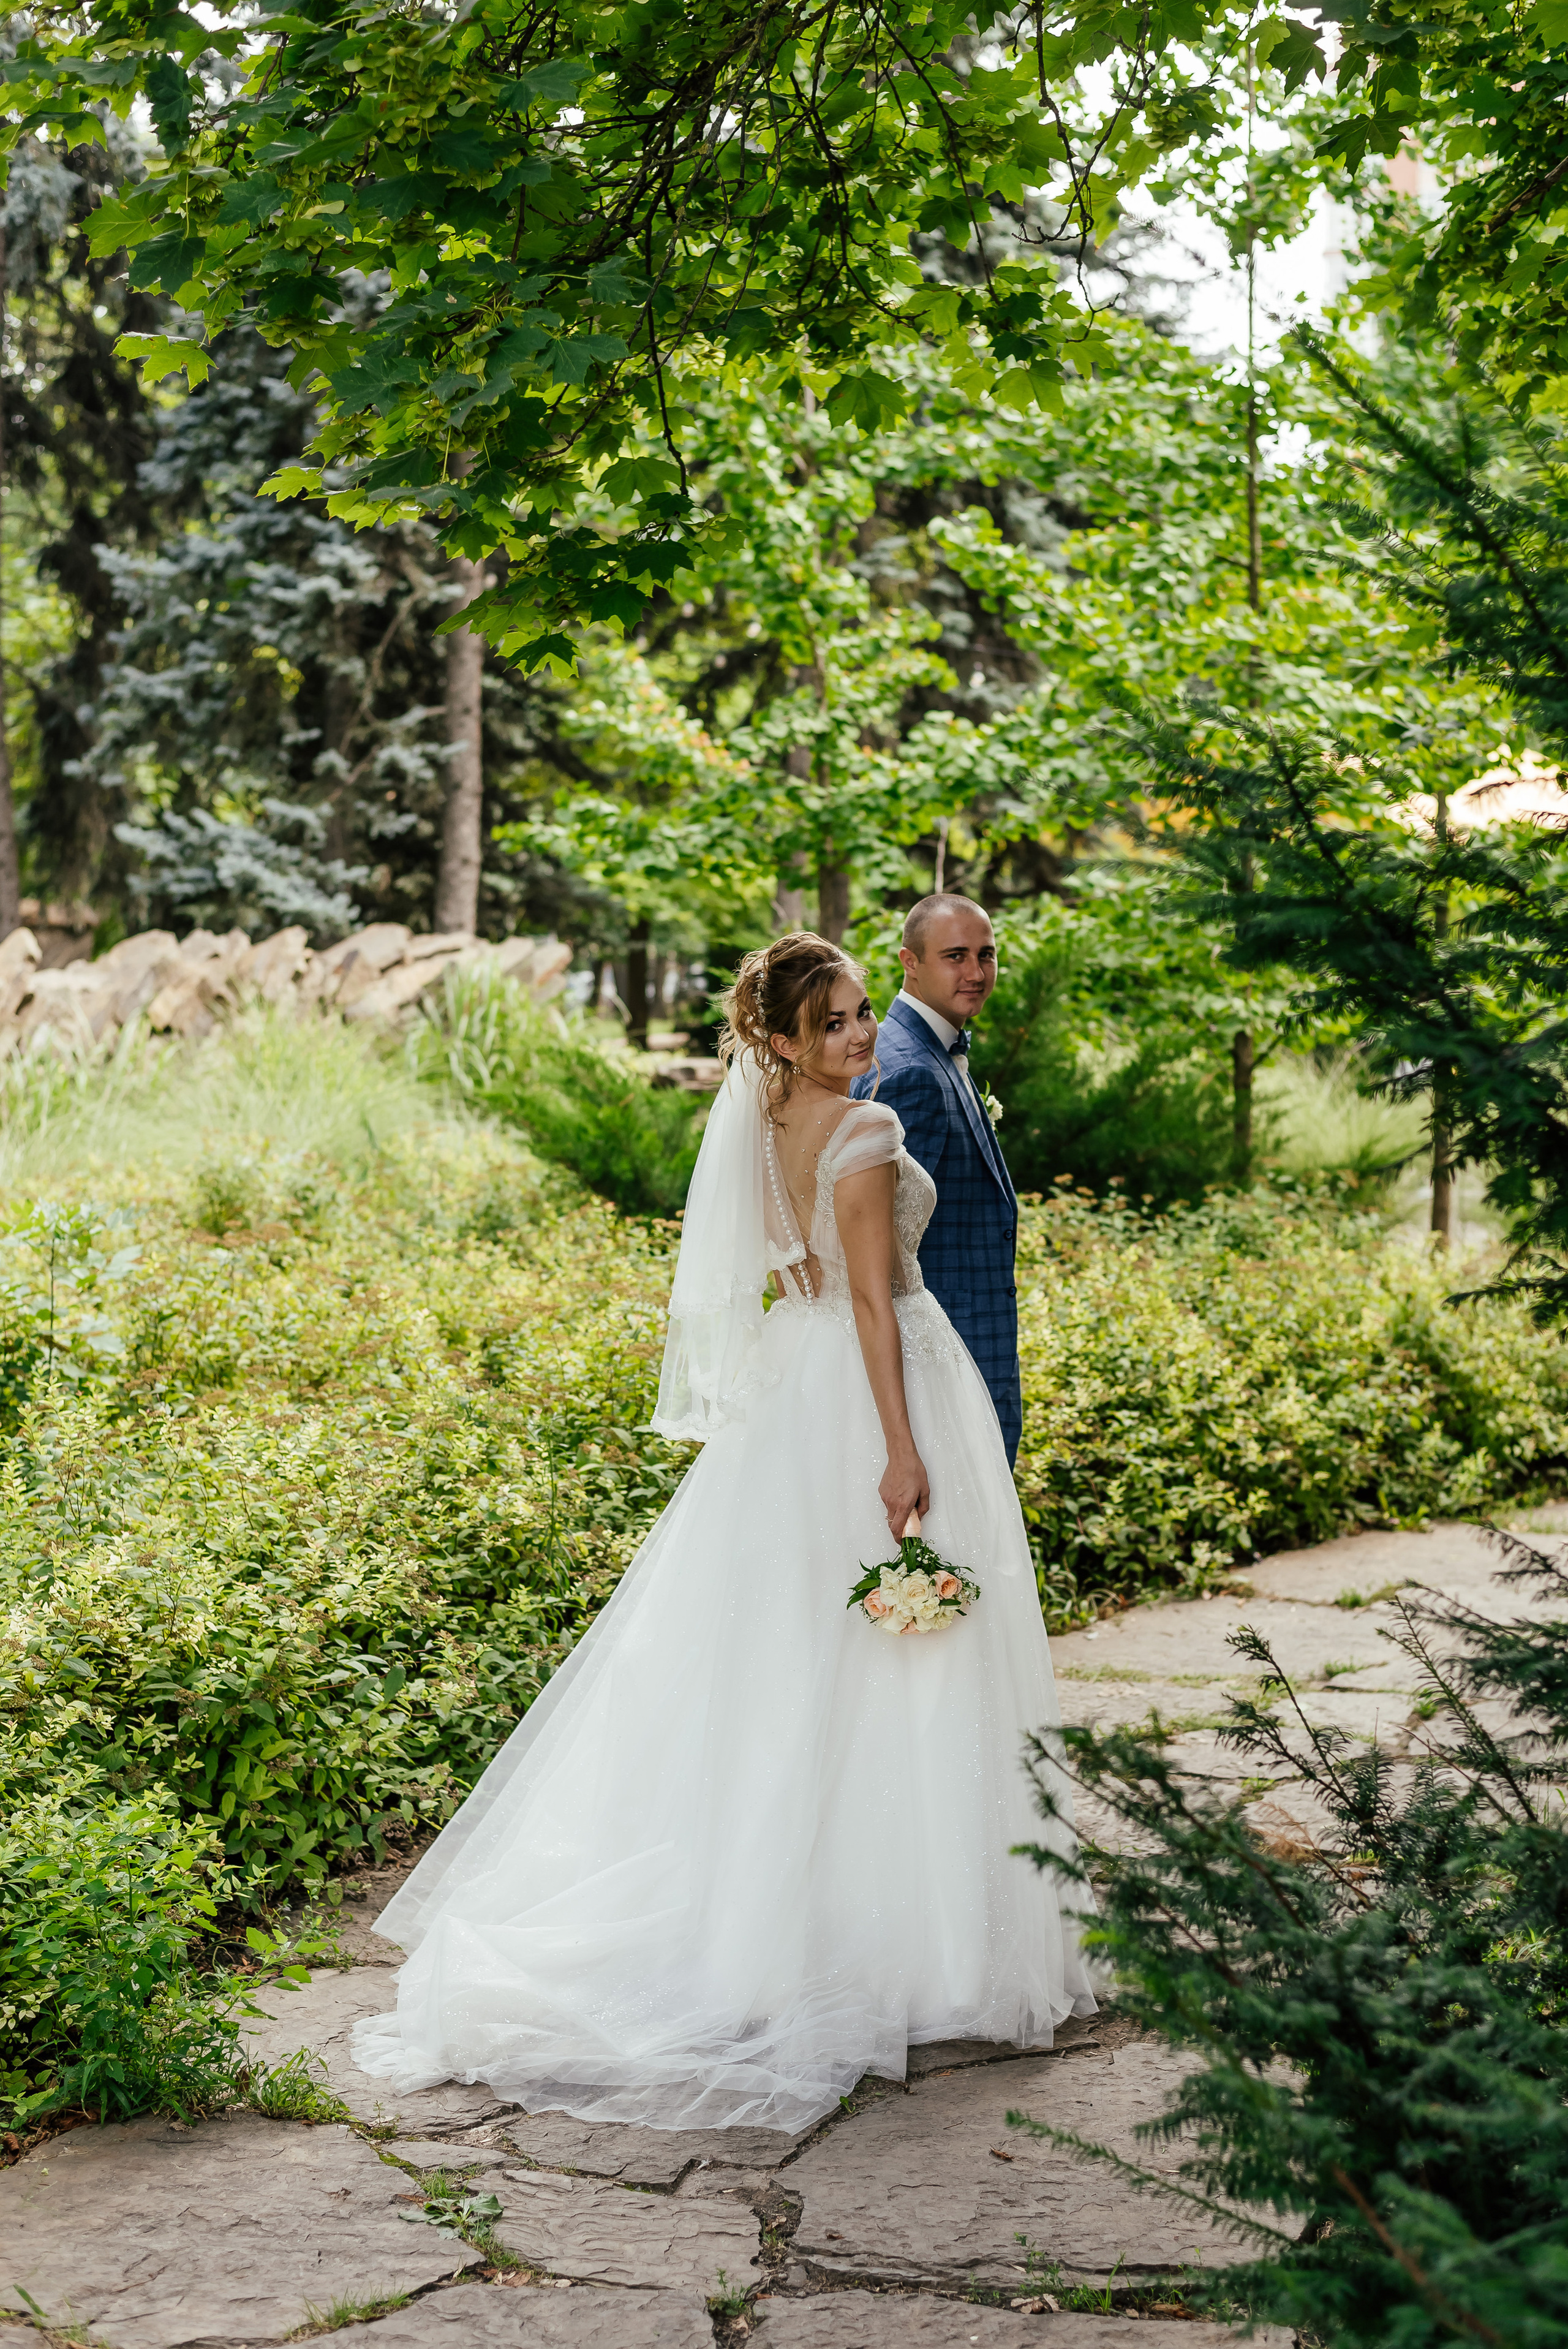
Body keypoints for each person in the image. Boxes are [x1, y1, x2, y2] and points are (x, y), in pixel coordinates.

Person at [352, 933, 1094, 2134]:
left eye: (862, 1016)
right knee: (903, 1657)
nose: (862, 1038)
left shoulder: (762, 1129)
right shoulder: (863, 1134)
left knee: (796, 1658)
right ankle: (913, 1946)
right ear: (791, 1037)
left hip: (795, 1399)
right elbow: (869, 1299)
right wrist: (901, 1452)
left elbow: (785, 1283)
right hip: (872, 1389)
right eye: (841, 1022)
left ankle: (810, 1915)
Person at [854, 895, 1022, 1464]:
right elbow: (879, 1255)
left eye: (987, 955)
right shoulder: (908, 1073)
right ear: (911, 962)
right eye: (955, 956)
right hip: (940, 1368)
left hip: (965, 1353)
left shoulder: (937, 1050)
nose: (976, 973)